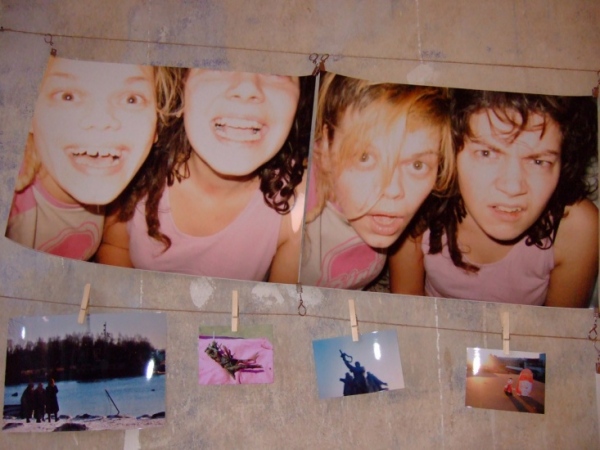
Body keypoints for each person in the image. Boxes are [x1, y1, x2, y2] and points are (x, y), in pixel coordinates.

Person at [97, 69, 313, 282]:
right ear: (180, 85)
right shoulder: (138, 163)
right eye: (217, 64)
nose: (247, 89)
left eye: (276, 69)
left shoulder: (300, 204)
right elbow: (116, 247)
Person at [390, 90, 598, 307]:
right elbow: (407, 308)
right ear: (450, 150)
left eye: (538, 162)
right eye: (486, 153)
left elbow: (559, 328)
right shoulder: (416, 200)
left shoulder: (576, 227)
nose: (512, 187)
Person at [5, 57, 176, 260]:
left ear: (157, 126)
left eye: (131, 99)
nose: (100, 120)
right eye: (68, 96)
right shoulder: (14, 196)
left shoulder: (121, 187)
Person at [300, 73, 453, 289]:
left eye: (417, 165)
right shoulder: (295, 201)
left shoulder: (413, 212)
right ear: (325, 149)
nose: (393, 190)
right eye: (365, 157)